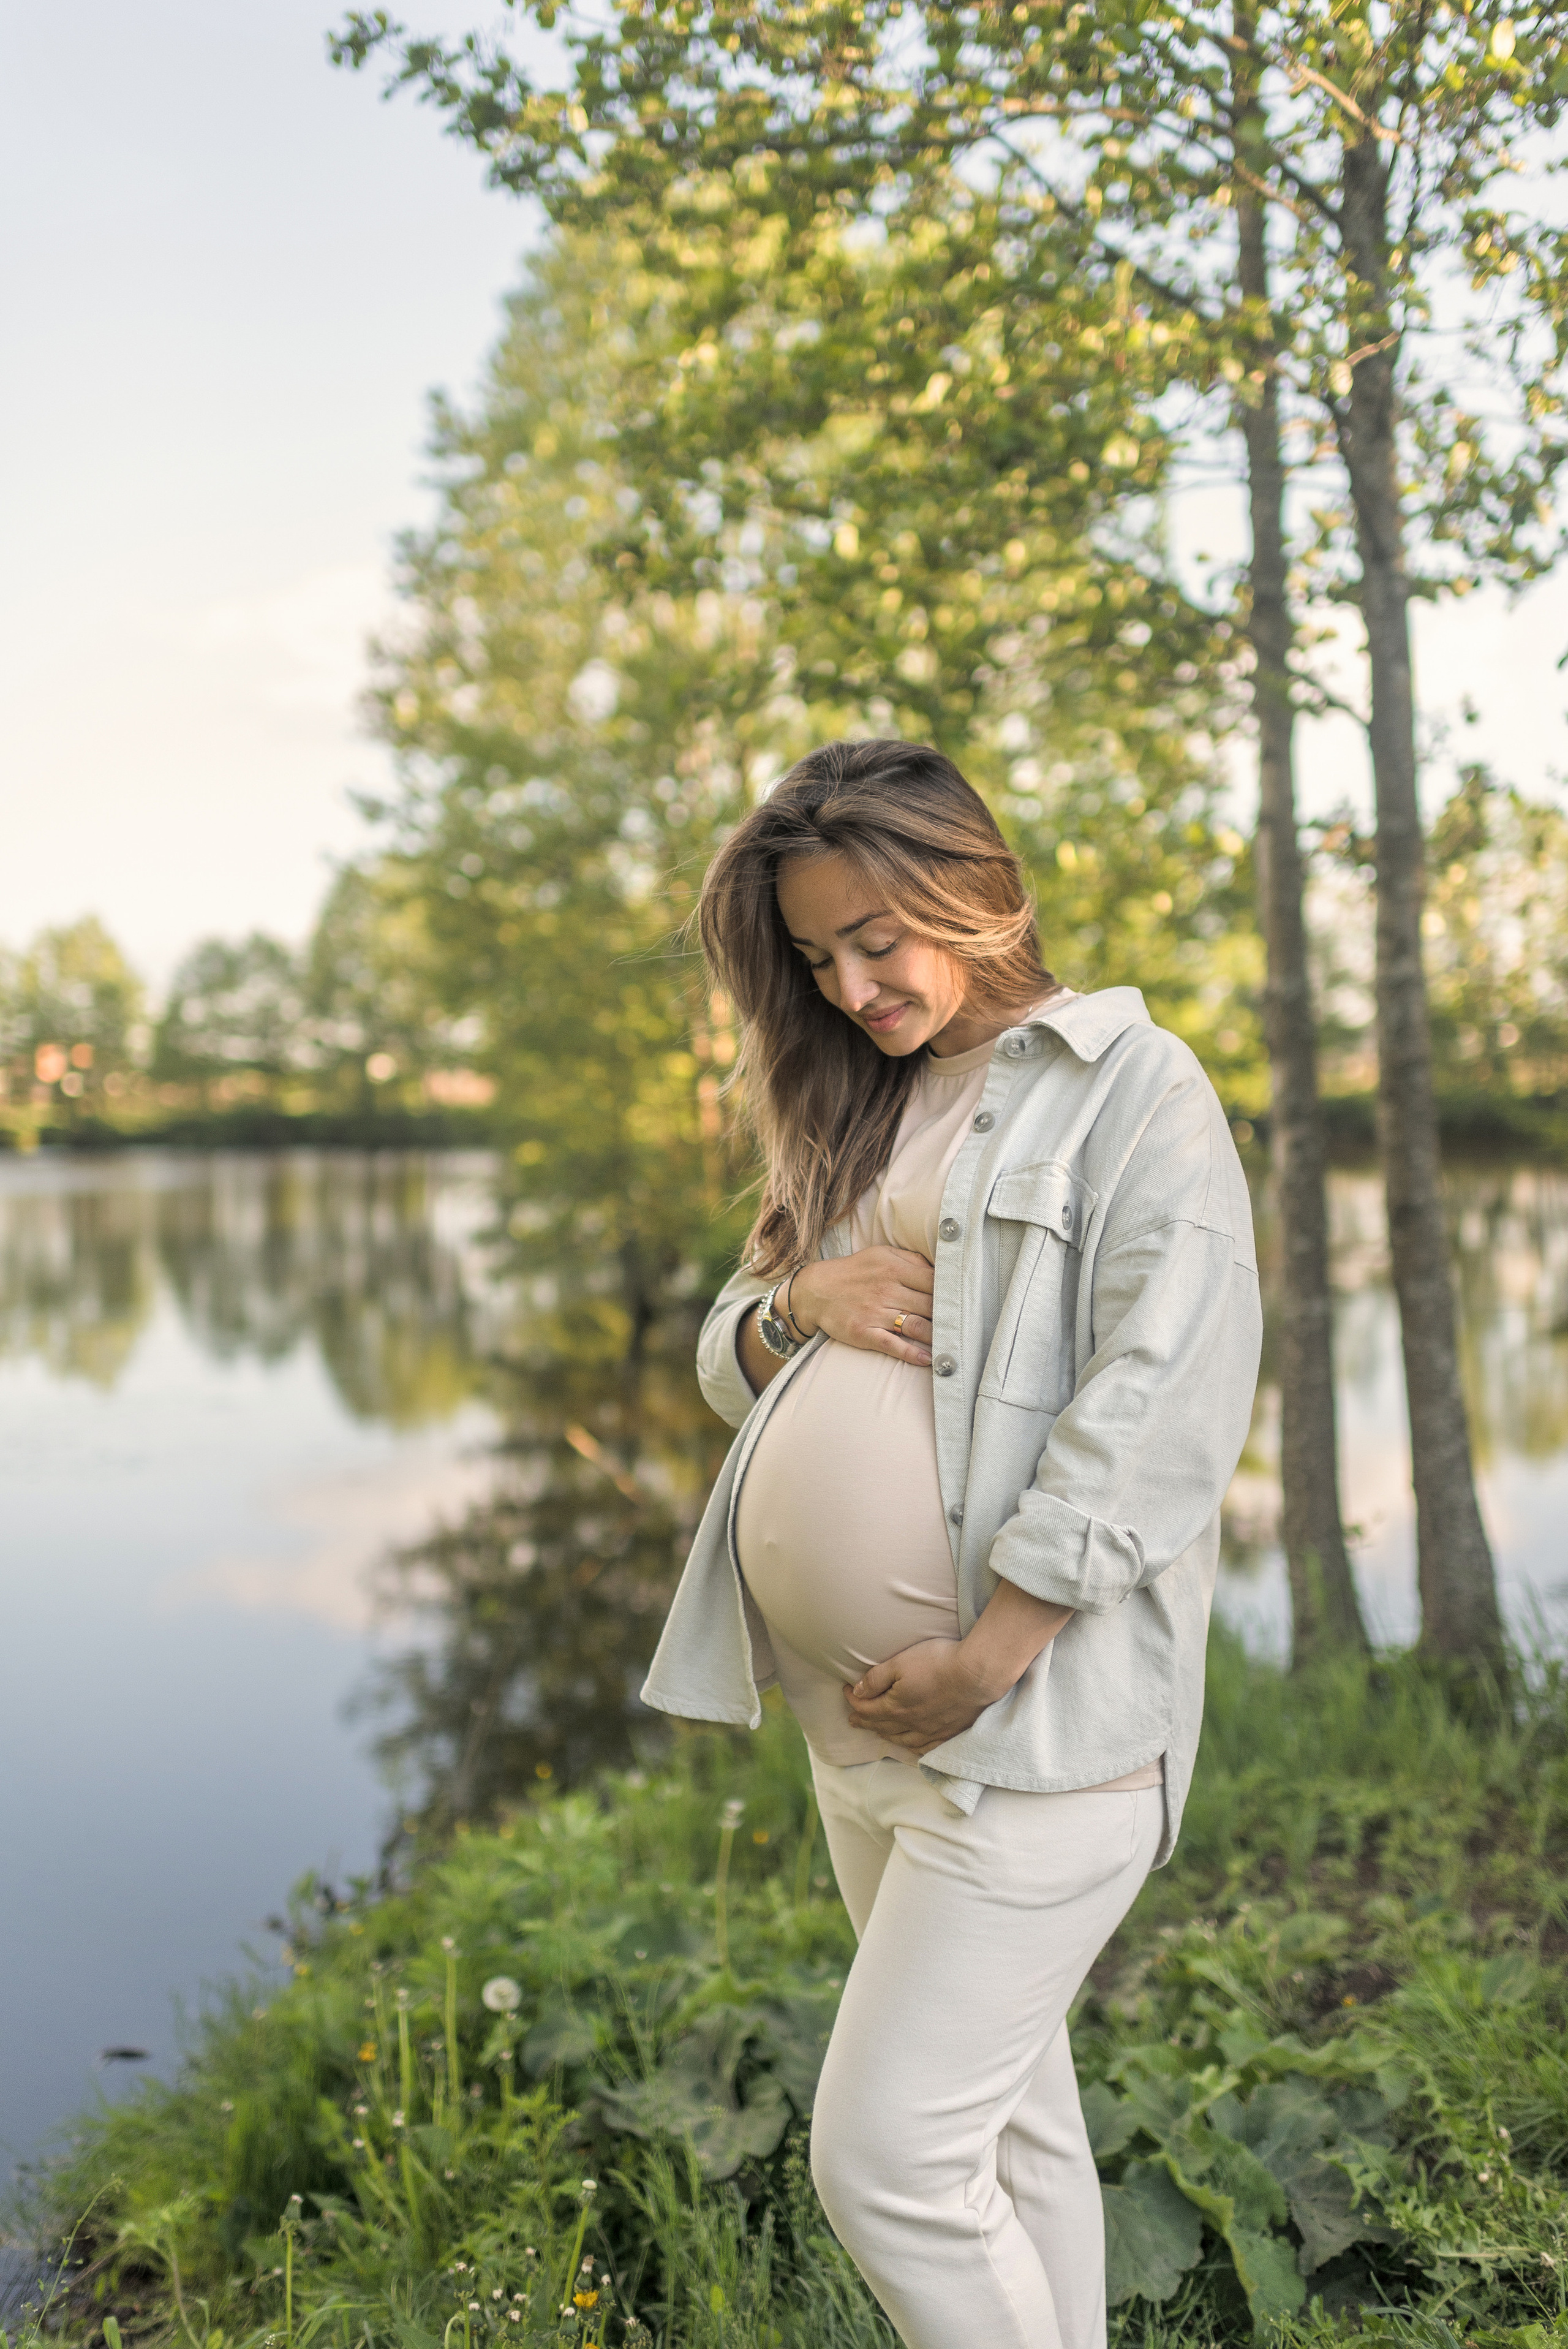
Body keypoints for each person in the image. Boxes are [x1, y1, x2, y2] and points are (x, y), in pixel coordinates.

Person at [641, 739, 1262, 2349]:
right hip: (868, 1736)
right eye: (816, 956)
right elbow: (726, 1354)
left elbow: (1164, 1397)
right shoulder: (861, 1108)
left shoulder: (1132, 1087)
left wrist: (992, 1650)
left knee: (890, 2161)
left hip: (1031, 1731)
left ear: (972, 892)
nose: (851, 984)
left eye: (876, 937)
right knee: (1011, 2130)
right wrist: (800, 1303)